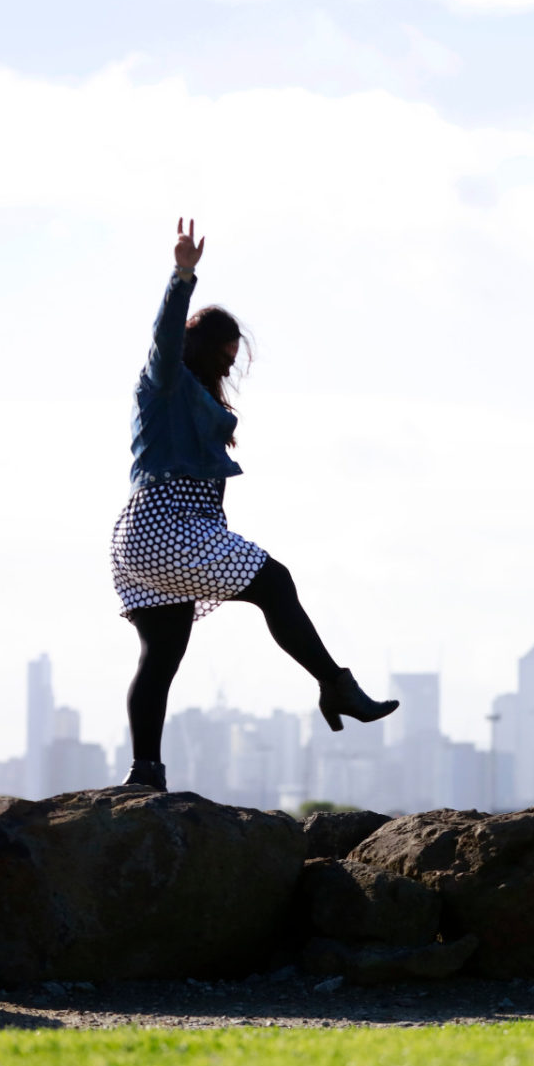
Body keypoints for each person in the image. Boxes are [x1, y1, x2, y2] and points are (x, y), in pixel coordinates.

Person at [110, 219, 396, 791]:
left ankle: (146, 773)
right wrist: (183, 275)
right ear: (203, 348)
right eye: (223, 357)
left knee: (160, 656)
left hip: (138, 536)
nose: (228, 368)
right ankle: (335, 683)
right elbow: (165, 337)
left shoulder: (192, 397)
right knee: (275, 582)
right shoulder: (163, 380)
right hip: (169, 524)